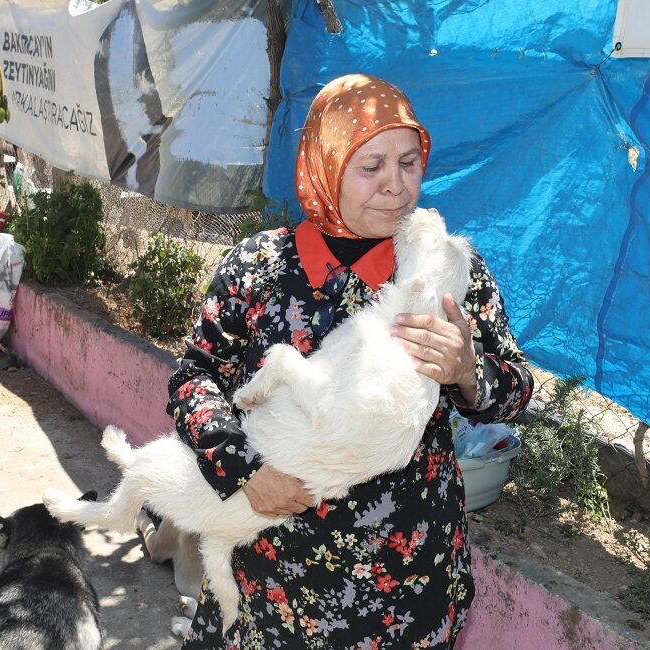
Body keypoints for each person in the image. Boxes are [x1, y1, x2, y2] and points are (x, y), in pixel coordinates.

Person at [167, 73, 535, 648]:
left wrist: (469, 372)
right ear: (327, 164)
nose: (396, 185)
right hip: (270, 573)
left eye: (409, 163)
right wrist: (241, 469)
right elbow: (195, 377)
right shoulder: (259, 269)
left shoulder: (442, 267)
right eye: (371, 166)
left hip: (404, 584)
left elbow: (516, 390)